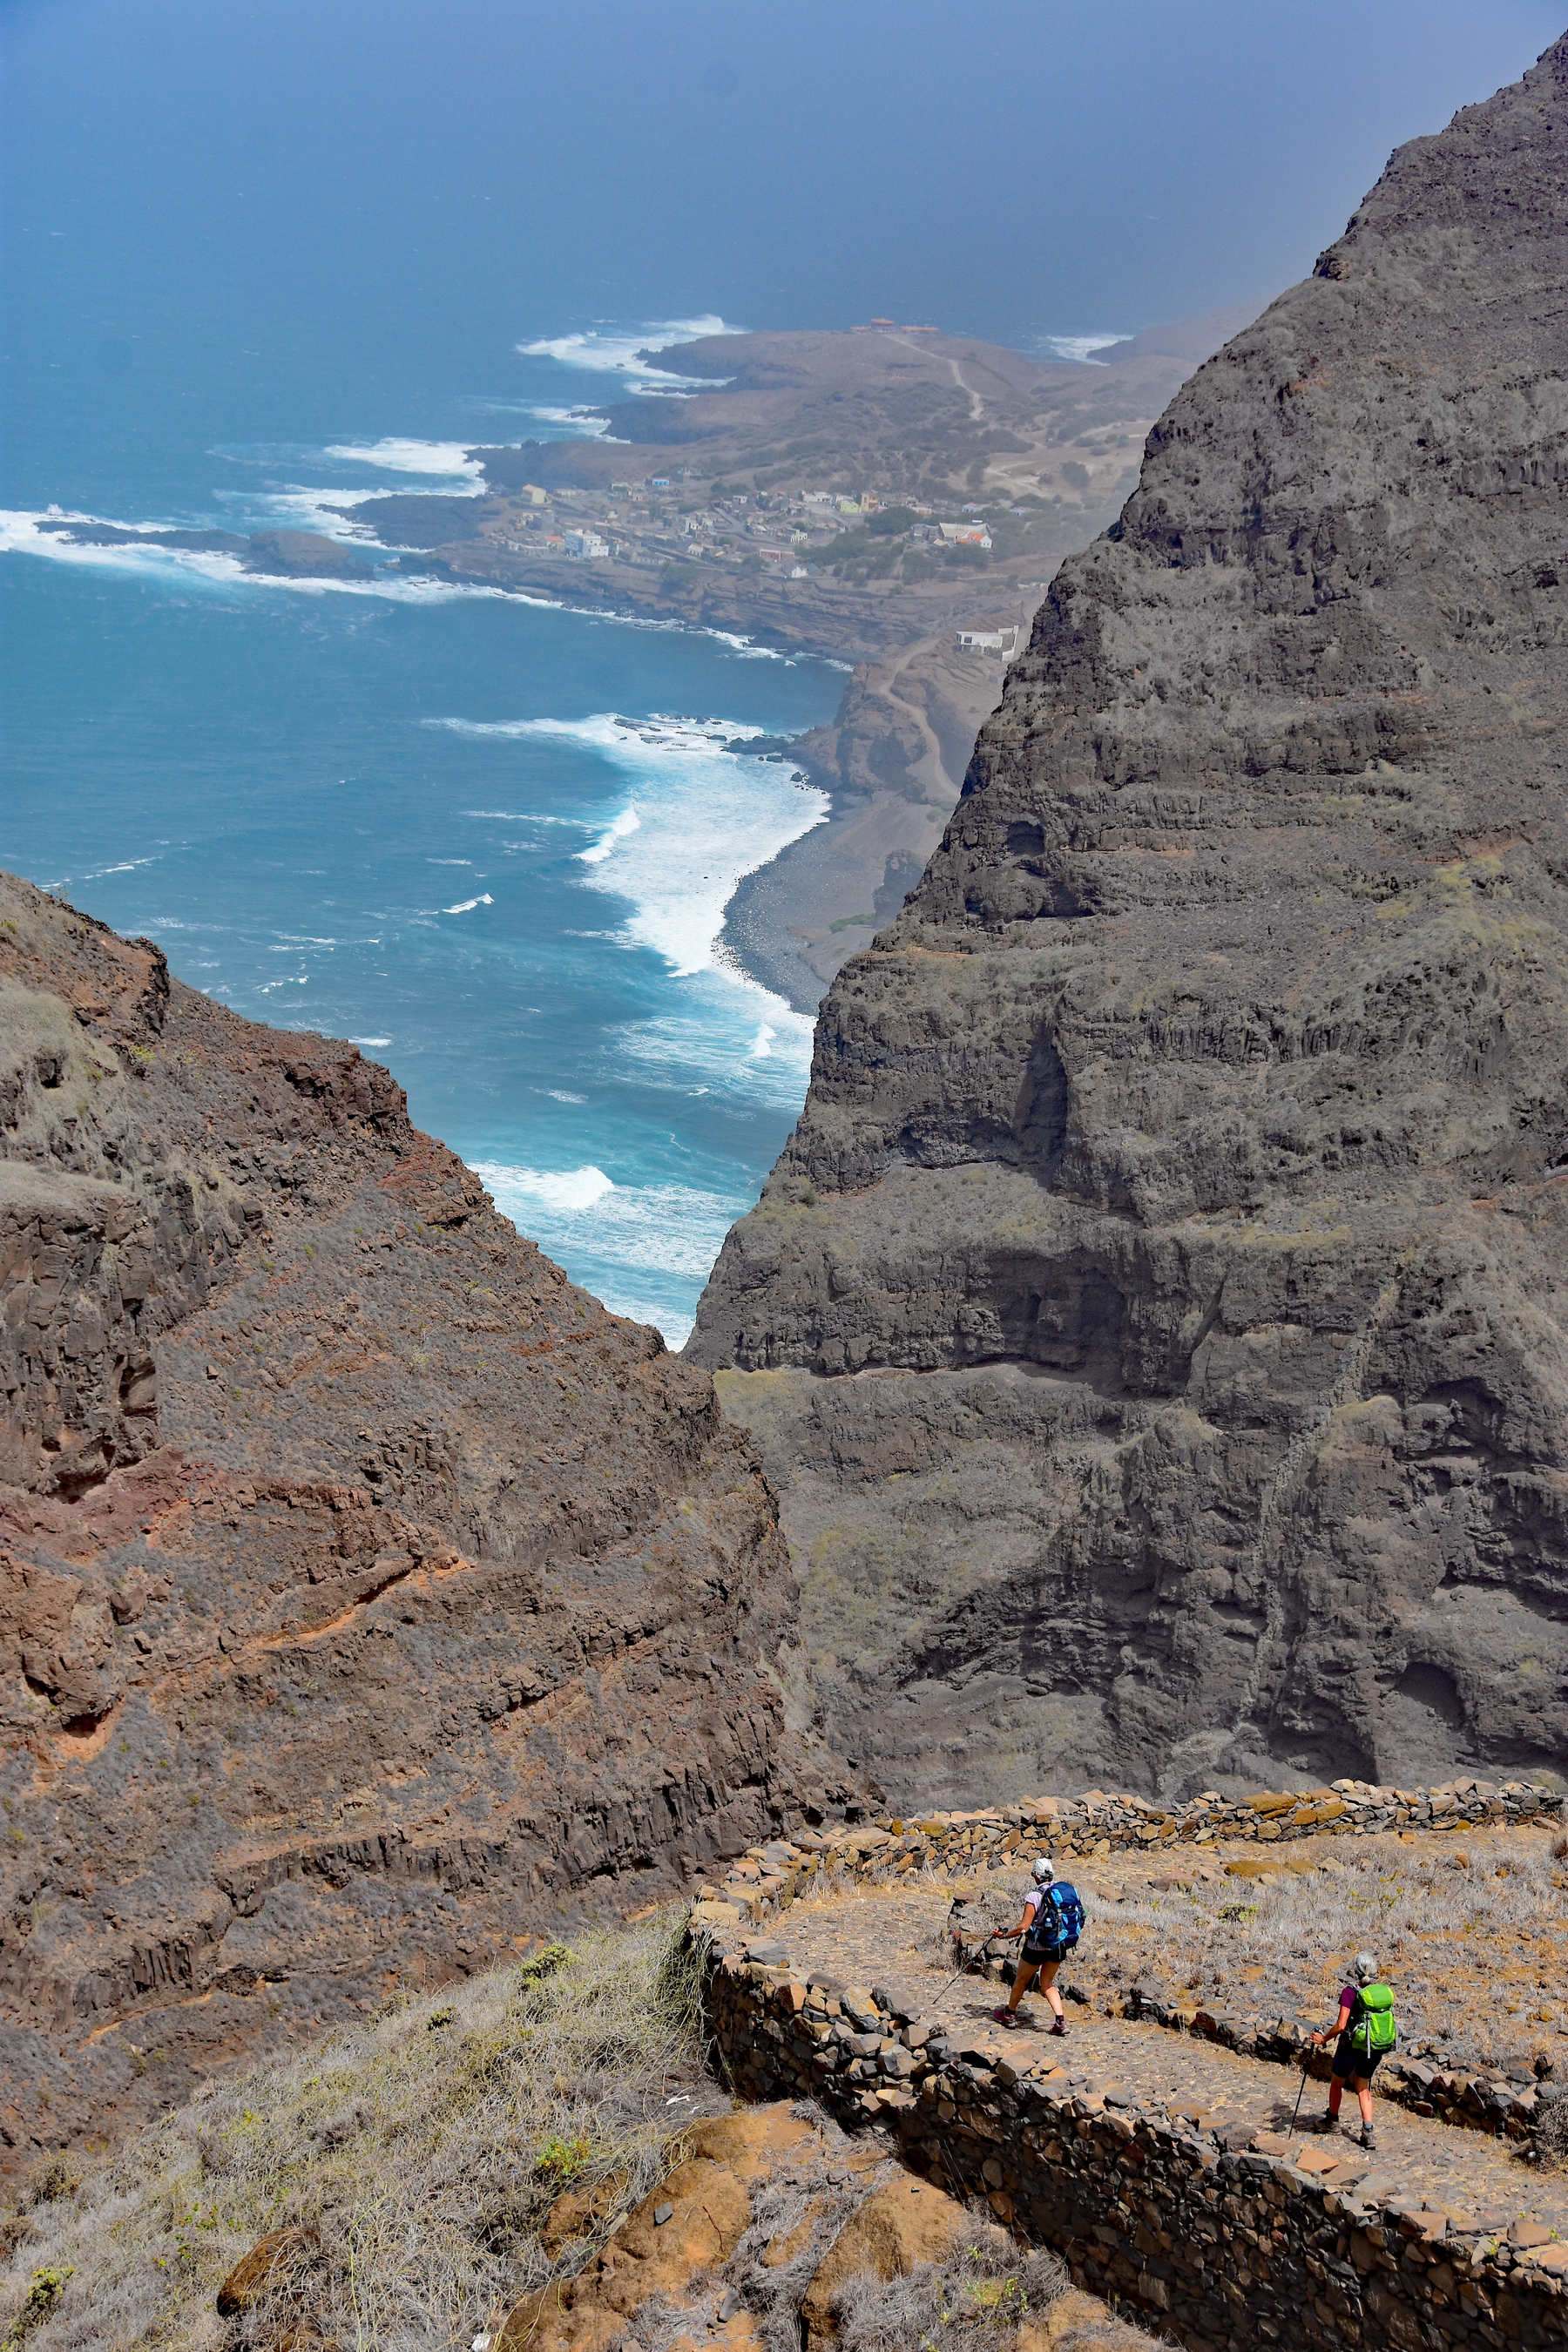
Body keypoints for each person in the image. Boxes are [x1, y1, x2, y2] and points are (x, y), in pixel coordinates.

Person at [1309, 1951, 1392, 2149]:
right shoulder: (1380, 1993)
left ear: (1356, 1971)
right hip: (1373, 2047)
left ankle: (1332, 2121)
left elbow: (1340, 2025)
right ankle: (1368, 2132)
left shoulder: (1350, 1992)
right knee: (1363, 2087)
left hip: (1350, 2046)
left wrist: (1323, 2039)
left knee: (1337, 2082)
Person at [992, 1857, 1078, 2034]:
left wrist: (1005, 1936)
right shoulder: (1063, 1892)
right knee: (1047, 1983)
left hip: (1036, 1947)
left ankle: (1009, 2014)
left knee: (1021, 1981)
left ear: (1036, 1876)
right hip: (1058, 1946)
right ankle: (1060, 2022)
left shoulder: (1035, 1896)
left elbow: (1024, 1927)